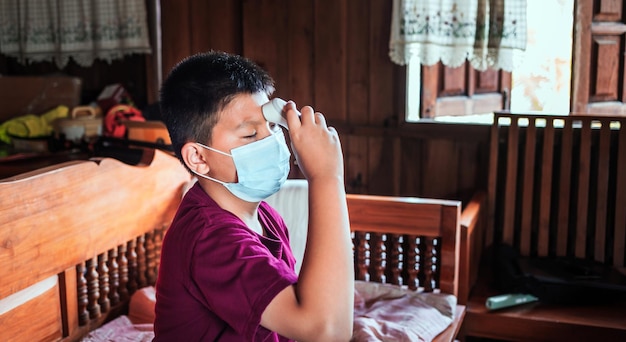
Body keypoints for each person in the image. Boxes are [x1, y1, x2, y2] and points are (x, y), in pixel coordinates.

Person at [154, 50, 354, 341]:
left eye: (272, 126)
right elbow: (327, 331)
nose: (271, 141)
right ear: (198, 157)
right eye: (249, 135)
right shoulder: (210, 239)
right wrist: (327, 177)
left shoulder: (263, 215)